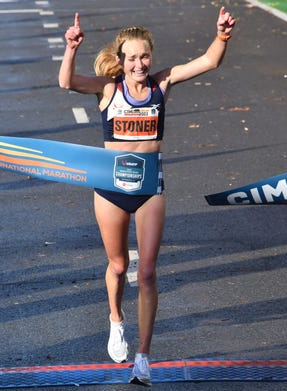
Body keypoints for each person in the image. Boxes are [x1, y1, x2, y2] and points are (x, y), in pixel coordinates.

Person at [59, 6, 235, 386]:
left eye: (144, 56)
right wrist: (71, 47)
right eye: (132, 57)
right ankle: (115, 320)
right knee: (119, 266)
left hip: (149, 187)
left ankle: (143, 358)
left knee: (149, 272)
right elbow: (67, 82)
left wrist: (221, 36)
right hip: (110, 188)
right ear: (120, 60)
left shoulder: (162, 84)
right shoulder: (109, 89)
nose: (139, 63)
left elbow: (208, 62)